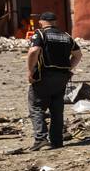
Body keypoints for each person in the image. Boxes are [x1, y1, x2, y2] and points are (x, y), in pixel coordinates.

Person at [27, 12, 82, 150]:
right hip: (62, 77)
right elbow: (78, 54)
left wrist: (30, 71)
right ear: (55, 22)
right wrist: (69, 67)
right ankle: (57, 141)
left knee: (36, 107)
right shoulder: (66, 36)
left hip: (44, 76)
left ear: (41, 22)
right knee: (57, 109)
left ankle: (41, 139)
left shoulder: (40, 34)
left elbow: (34, 51)